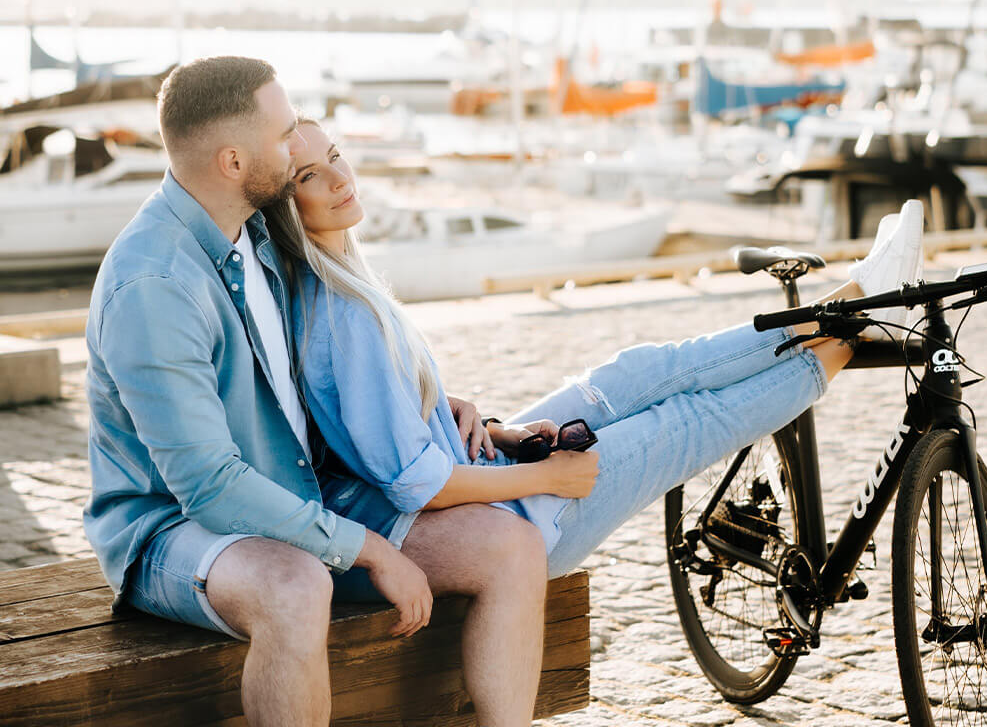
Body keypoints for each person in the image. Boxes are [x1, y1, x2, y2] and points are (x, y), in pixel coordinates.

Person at [262, 117, 927, 726]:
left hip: (481, 463)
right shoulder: (337, 314)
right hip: (501, 511)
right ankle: (850, 325)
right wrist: (548, 473)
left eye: (336, 155)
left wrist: (482, 422)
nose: (340, 178)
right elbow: (416, 484)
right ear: (285, 206)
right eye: (308, 176)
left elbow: (377, 428)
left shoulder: (344, 280)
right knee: (684, 421)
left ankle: (850, 303)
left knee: (638, 374)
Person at [84, 57, 539, 727]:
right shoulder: (155, 284)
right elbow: (207, 486)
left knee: (510, 545)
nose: (297, 144)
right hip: (173, 529)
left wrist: (432, 400)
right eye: (284, 133)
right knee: (297, 587)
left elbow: (326, 364)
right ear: (234, 161)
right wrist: (370, 549)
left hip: (302, 493)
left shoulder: (255, 229)